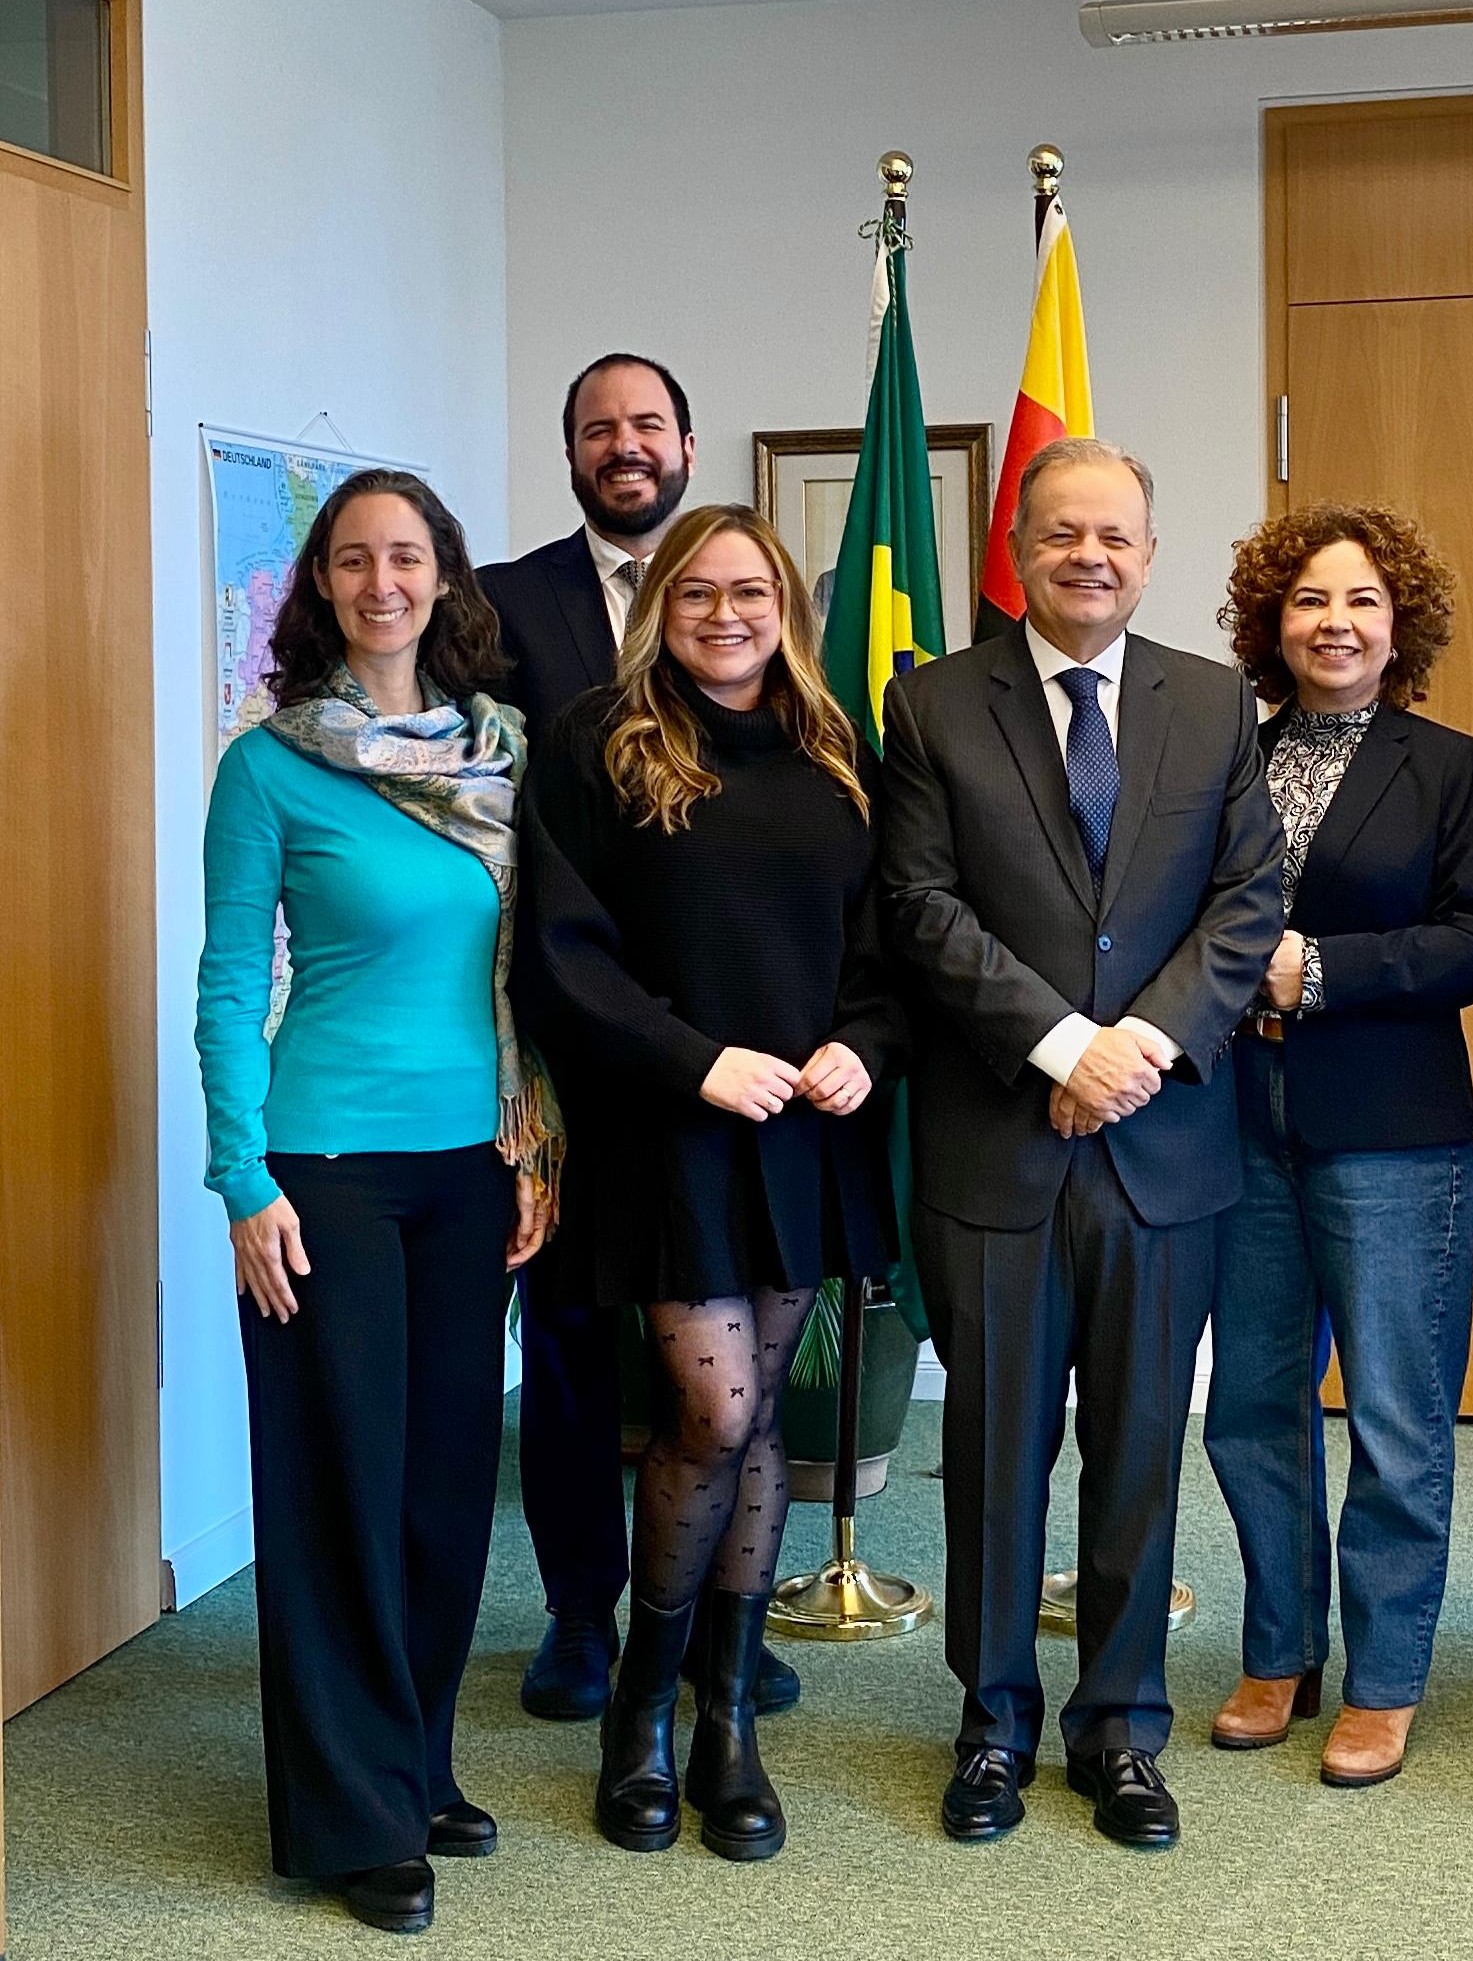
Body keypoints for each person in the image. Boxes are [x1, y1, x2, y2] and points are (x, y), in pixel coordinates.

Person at [881, 437, 1286, 1850]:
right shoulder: (931, 703)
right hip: (998, 1146)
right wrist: (1060, 1046)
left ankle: (1119, 1725)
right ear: (1021, 551)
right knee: (994, 1450)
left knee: (1134, 1452)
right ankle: (993, 1723)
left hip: (1161, 1149)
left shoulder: (1214, 704)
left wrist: (1141, 1051)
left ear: (1149, 552)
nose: (1088, 557)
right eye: (1060, 535)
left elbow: (1246, 900)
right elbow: (920, 905)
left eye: (1114, 535)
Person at [195, 469, 553, 1934]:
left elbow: (538, 970)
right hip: (325, 1169)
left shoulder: (506, 752)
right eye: (354, 560)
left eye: (406, 556)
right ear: (323, 586)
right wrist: (241, 1177)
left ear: (444, 578)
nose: (382, 581)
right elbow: (228, 983)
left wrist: (538, 1144)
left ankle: (413, 1761)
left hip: (477, 1166)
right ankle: (351, 1817)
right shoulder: (272, 766)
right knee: (339, 1483)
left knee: (446, 1483)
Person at [520, 504, 903, 1862]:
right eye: (697, 592)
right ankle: (643, 1705)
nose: (724, 613)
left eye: (749, 591)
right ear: (658, 608)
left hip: (802, 1130)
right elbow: (559, 955)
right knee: (712, 1405)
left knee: (756, 1436)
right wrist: (695, 1063)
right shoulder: (593, 745)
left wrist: (862, 1046)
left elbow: (883, 944)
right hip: (670, 1123)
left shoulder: (835, 749)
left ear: (786, 606)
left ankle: (726, 1713)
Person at [480, 355, 797, 1725]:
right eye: (599, 427)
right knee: (565, 1339)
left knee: (729, 1387)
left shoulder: (747, 606)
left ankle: (722, 1625)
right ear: (570, 452)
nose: (626, 445)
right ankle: (575, 1610)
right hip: (571, 1044)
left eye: (648, 424)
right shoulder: (503, 604)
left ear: (684, 441)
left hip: (734, 1056)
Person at [1202, 505, 1473, 1787]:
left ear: (1400, 627)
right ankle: (1278, 1648)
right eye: (1308, 603)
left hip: (1394, 1136)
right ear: (1271, 625)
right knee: (1246, 1407)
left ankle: (1384, 1675)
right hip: (1236, 1127)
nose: (1335, 624)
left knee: (1393, 1414)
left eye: (1362, 603)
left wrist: (1316, 969)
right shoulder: (1226, 753)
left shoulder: (1447, 765)